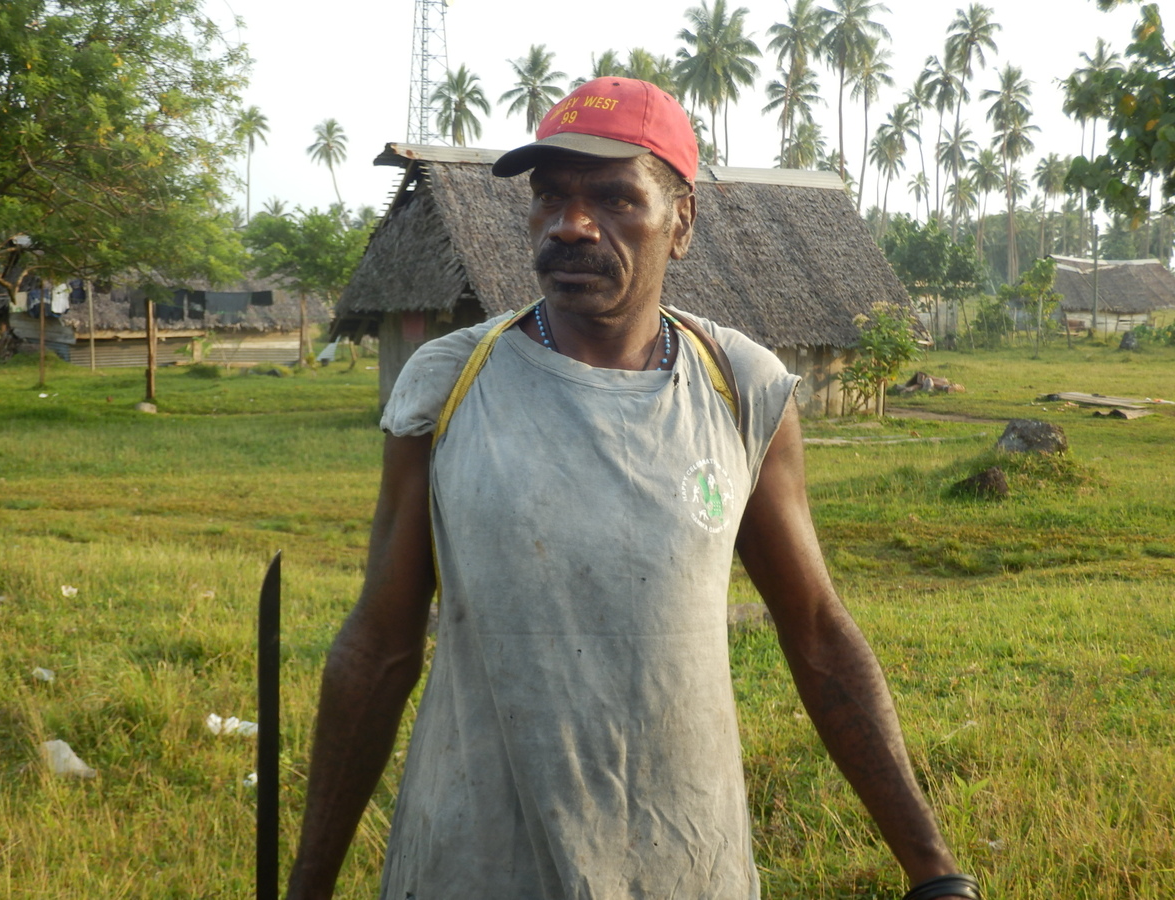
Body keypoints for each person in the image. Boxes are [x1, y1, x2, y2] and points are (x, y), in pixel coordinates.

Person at [287, 78, 980, 900]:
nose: (571, 225)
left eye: (615, 198)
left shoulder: (742, 388)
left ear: (681, 222)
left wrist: (934, 873)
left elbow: (819, 633)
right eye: (550, 198)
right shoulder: (450, 383)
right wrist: (308, 885)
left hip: (684, 865)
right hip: (471, 864)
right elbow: (381, 641)